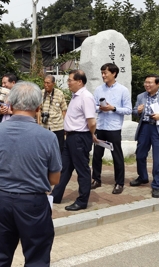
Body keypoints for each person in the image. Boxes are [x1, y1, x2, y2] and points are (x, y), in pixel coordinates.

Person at [0, 81, 61, 267]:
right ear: (38, 106)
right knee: (37, 257)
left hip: (1, 200)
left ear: (10, 103)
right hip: (33, 202)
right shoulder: (48, 137)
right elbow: (55, 178)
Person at [51, 69, 96, 211]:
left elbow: (92, 122)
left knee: (82, 170)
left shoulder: (86, 97)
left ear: (79, 81)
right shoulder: (76, 96)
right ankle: (55, 196)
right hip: (70, 137)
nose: (68, 83)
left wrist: (91, 134)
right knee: (64, 168)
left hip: (79, 137)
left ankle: (82, 201)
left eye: (70, 80)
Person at [131, 74, 159, 198]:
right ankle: (143, 177)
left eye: (150, 83)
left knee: (158, 160)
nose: (147, 85)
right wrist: (138, 111)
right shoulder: (141, 96)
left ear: (158, 84)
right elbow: (134, 111)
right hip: (145, 128)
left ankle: (156, 185)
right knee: (140, 155)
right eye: (146, 82)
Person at [91, 63, 132, 195]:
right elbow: (93, 106)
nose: (103, 75)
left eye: (105, 73)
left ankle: (119, 183)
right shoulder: (98, 90)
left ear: (113, 73)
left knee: (117, 156)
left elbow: (128, 110)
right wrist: (100, 108)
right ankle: (96, 179)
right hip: (101, 126)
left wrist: (113, 108)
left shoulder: (123, 90)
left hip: (114, 128)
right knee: (97, 155)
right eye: (102, 73)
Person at [38, 74, 67, 154]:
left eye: (48, 83)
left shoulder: (59, 93)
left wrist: (65, 126)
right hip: (44, 127)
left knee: (59, 149)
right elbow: (38, 110)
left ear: (53, 84)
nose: (46, 85)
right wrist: (38, 124)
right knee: (44, 149)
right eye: (45, 83)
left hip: (58, 127)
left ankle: (59, 166)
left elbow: (64, 110)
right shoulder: (41, 93)